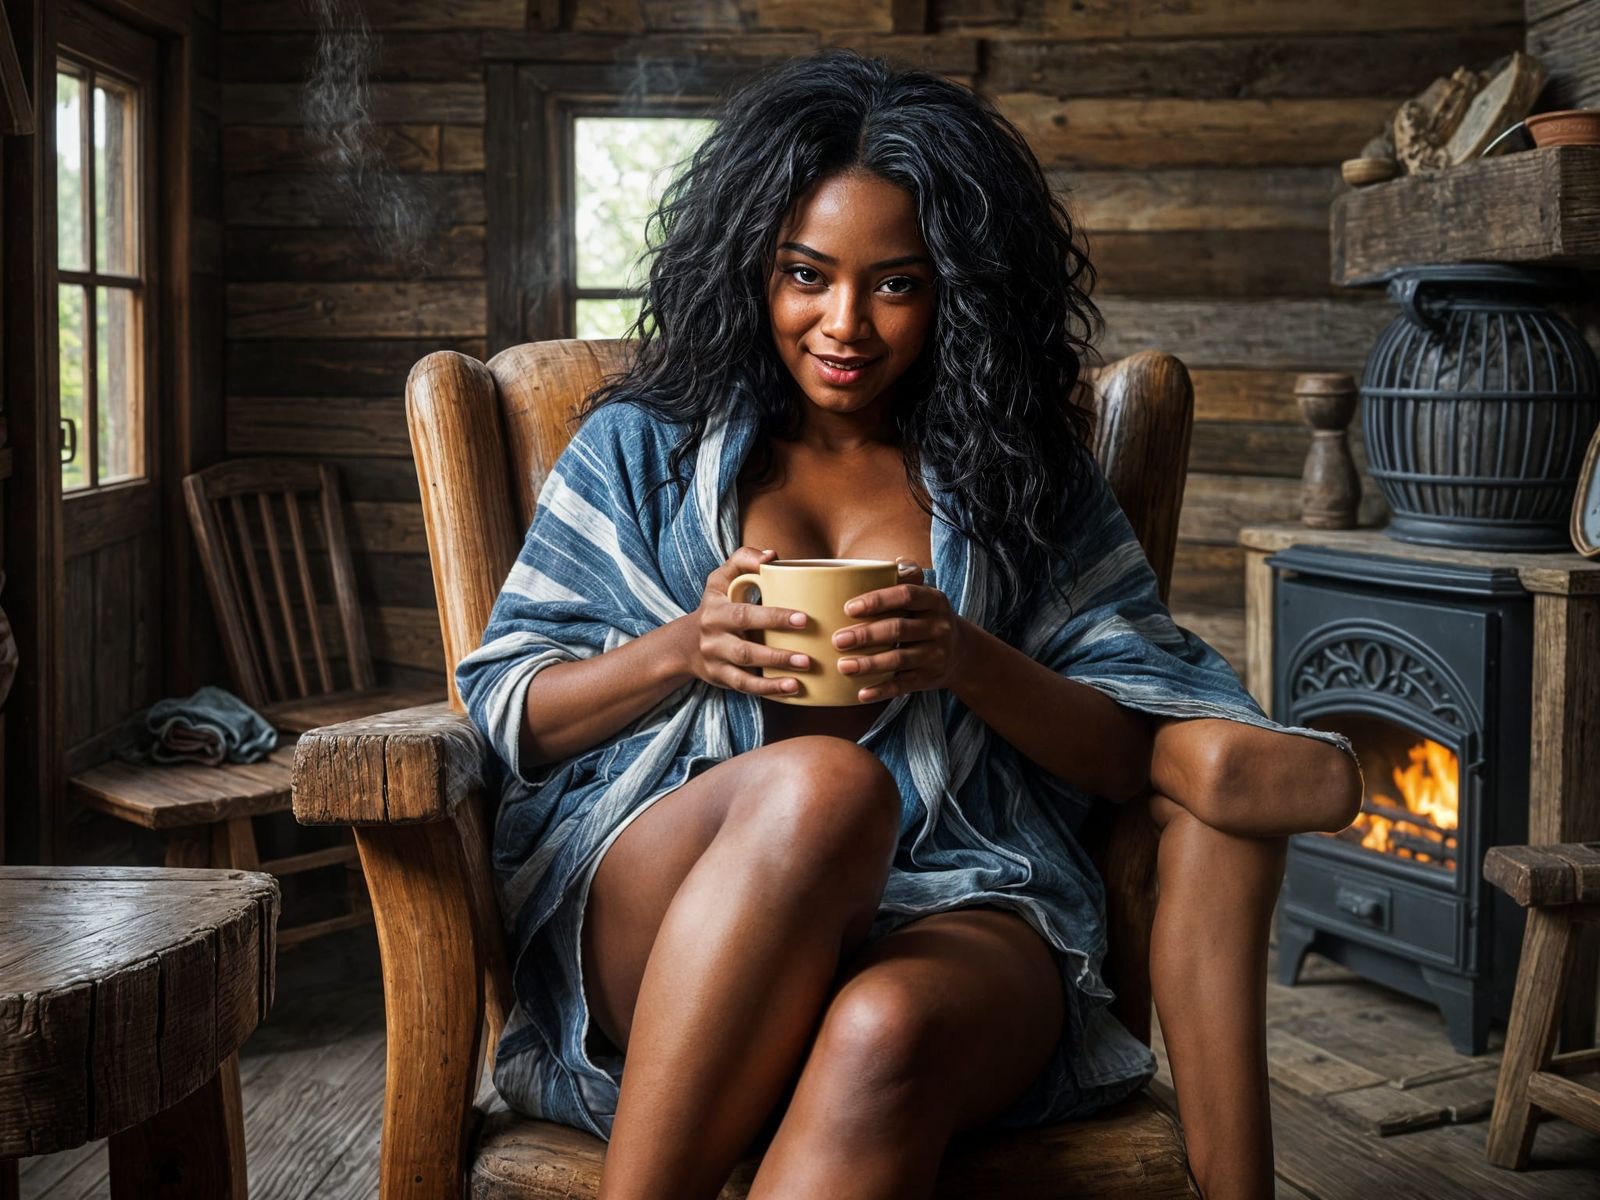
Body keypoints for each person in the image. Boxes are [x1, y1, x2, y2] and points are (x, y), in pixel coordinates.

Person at [456, 49, 1363, 1200]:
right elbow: (508, 708)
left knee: (884, 1034)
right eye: (805, 275)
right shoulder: (642, 449)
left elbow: (1126, 751)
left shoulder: (1021, 474)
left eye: (896, 284)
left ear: (959, 291)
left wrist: (964, 657)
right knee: (824, 789)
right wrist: (681, 649)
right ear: (750, 265)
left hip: (963, 888)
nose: (844, 325)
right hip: (669, 895)